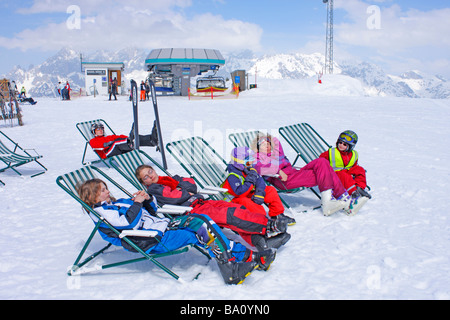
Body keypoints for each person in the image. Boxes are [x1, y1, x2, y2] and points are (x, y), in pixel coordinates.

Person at [77, 178, 276, 284]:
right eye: (102, 190)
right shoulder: (102, 213)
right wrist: (137, 205)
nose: (107, 191)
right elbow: (128, 225)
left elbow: (153, 210)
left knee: (203, 220)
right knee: (200, 231)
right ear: (92, 197)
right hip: (152, 239)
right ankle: (238, 263)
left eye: (105, 187)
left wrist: (146, 199)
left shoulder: (117, 202)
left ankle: (240, 260)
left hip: (162, 226)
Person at [135, 165, 291, 252]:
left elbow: (192, 185)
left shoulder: (170, 179)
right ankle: (269, 225)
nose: (150, 176)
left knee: (235, 208)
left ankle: (260, 242)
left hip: (203, 202)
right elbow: (177, 196)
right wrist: (184, 190)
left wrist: (184, 189)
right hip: (192, 211)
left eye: (150, 171)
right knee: (229, 215)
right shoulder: (154, 189)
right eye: (146, 177)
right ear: (144, 183)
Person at [250, 133, 368, 216]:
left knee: (322, 163)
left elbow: (276, 142)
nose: (267, 146)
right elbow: (264, 169)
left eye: (268, 143)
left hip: (294, 174)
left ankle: (342, 201)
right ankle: (340, 200)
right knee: (326, 171)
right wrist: (278, 169)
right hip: (284, 181)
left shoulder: (276, 152)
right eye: (262, 145)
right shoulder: (257, 159)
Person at [222, 147, 296, 225]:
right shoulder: (233, 176)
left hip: (248, 193)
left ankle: (277, 215)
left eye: (251, 161)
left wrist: (259, 192)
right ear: (239, 163)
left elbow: (260, 181)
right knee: (249, 203)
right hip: (236, 199)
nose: (250, 164)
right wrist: (250, 180)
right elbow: (239, 192)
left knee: (270, 190)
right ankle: (263, 221)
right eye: (248, 162)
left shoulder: (249, 170)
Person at [319, 130, 371, 199]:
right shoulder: (331, 152)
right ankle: (353, 192)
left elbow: (354, 165)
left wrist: (355, 171)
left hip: (347, 173)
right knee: (344, 175)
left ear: (351, 147)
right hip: (334, 175)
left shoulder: (353, 154)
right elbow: (321, 161)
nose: (341, 145)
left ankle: (359, 187)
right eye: (340, 143)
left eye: (344, 144)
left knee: (360, 169)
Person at [89, 122, 158, 159]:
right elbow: (99, 147)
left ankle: (151, 140)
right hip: (106, 153)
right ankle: (129, 142)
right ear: (93, 132)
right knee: (116, 143)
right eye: (98, 129)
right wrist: (108, 143)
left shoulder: (108, 137)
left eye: (101, 129)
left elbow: (119, 137)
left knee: (132, 139)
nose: (101, 130)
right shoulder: (92, 141)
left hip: (117, 149)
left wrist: (127, 138)